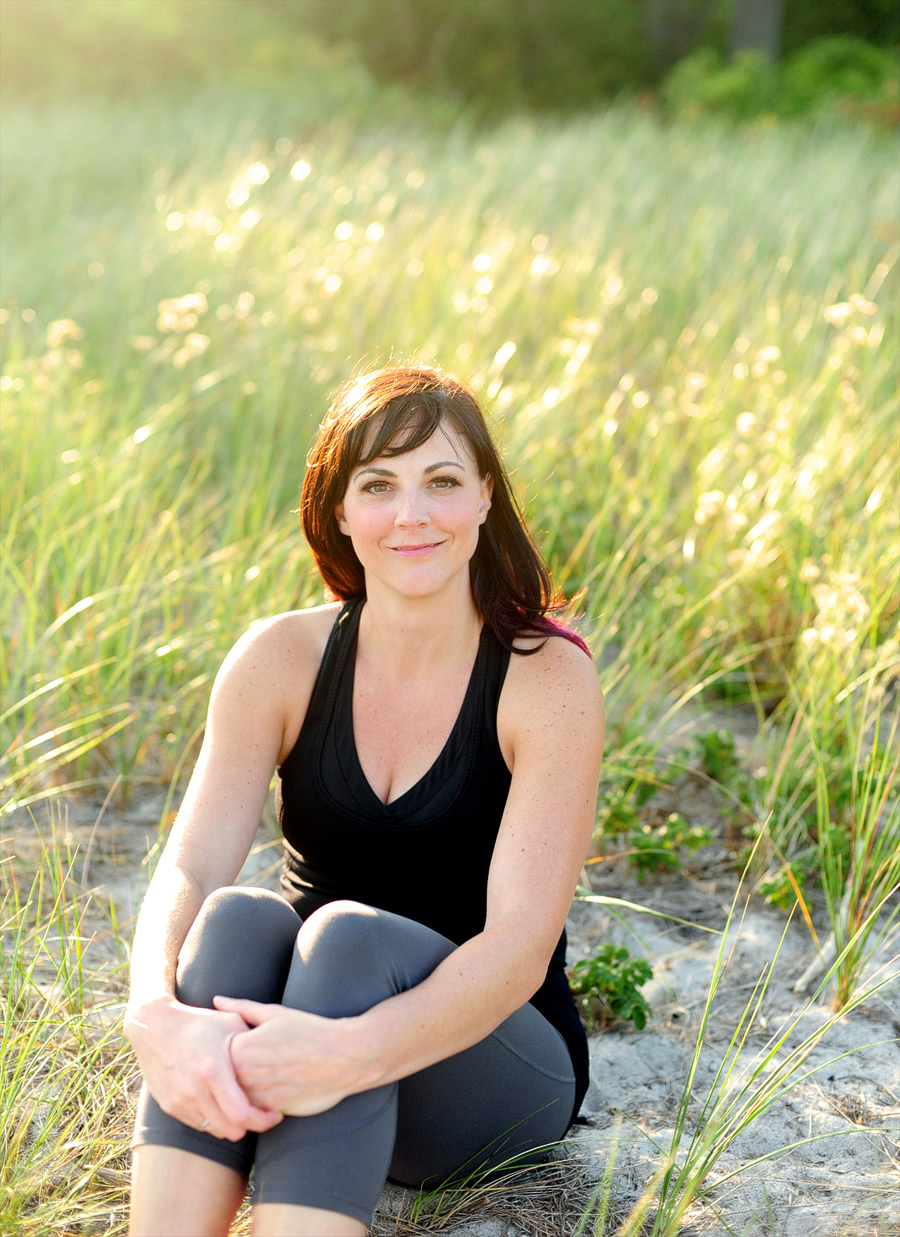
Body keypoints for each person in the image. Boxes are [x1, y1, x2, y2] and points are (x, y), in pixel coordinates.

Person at [125, 365, 605, 1237]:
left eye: (443, 481)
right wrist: (153, 1012)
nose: (412, 514)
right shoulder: (279, 659)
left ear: (486, 497)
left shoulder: (546, 679)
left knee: (348, 937)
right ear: (339, 510)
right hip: (308, 1035)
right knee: (236, 920)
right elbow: (192, 862)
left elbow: (519, 948)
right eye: (379, 485)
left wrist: (342, 1053)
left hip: (487, 1063)